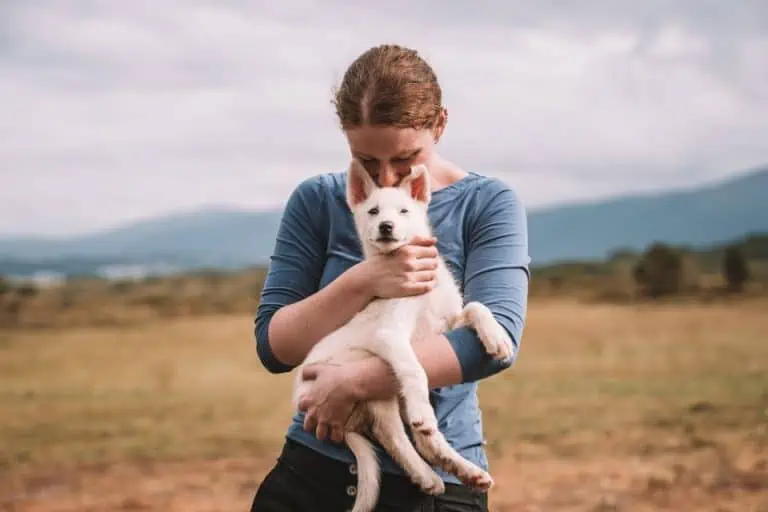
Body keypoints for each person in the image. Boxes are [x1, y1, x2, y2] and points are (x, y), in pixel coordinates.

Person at [250, 44, 530, 512]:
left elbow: (495, 344)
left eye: (404, 161)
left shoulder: (488, 203)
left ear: (439, 124)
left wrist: (356, 382)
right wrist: (364, 280)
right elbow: (274, 347)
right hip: (312, 473)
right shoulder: (317, 200)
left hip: (438, 485)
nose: (384, 178)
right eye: (366, 160)